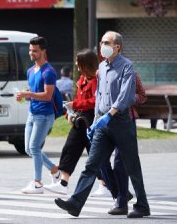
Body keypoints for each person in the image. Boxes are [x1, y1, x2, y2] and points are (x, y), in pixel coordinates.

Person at [55, 31, 150, 218]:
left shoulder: (127, 66)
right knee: (92, 164)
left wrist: (110, 114)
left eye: (106, 43)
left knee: (132, 165)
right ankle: (75, 203)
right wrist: (97, 120)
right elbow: (99, 96)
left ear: (117, 47)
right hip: (103, 124)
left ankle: (142, 205)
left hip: (121, 121)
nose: (102, 46)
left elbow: (124, 95)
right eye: (101, 42)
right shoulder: (101, 68)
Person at [44, 49, 99, 195]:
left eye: (78, 61)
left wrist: (75, 105)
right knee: (70, 148)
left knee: (95, 155)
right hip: (80, 119)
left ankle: (109, 186)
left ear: (84, 64)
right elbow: (80, 101)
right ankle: (63, 183)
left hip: (90, 119)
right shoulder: (81, 80)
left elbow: (95, 101)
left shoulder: (95, 81)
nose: (75, 64)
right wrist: (72, 111)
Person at [95, 72, 147, 215]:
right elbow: (98, 97)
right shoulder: (101, 73)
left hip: (125, 122)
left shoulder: (131, 74)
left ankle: (121, 202)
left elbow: (142, 96)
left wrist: (125, 98)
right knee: (100, 161)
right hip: (105, 123)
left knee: (120, 164)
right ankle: (120, 194)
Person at [15, 36, 60, 194]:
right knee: (29, 148)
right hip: (32, 113)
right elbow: (34, 92)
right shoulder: (30, 71)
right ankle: (55, 170)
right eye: (30, 50)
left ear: (43, 51)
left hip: (45, 115)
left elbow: (48, 96)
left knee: (34, 147)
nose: (31, 53)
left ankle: (38, 183)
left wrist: (29, 93)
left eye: (35, 50)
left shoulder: (49, 72)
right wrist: (23, 96)